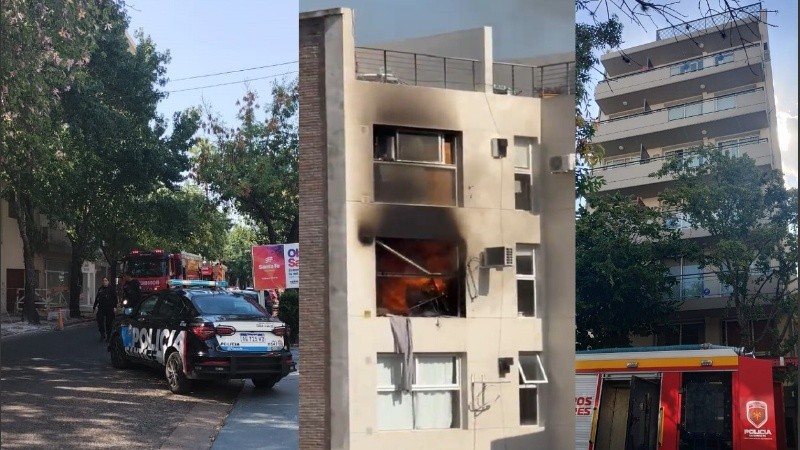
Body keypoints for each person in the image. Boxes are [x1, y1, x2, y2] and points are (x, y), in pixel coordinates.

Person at [93, 277, 117, 342]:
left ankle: (109, 335)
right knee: (100, 320)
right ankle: (102, 334)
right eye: (103, 281)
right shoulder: (100, 289)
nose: (104, 282)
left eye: (106, 280)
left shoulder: (111, 289)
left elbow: (115, 298)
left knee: (109, 323)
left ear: (108, 282)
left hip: (109, 308)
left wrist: (115, 307)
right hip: (101, 308)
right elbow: (97, 298)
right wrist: (94, 306)